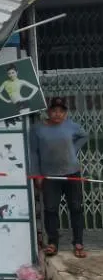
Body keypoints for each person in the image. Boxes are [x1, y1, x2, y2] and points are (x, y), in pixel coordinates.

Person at [30, 97, 89, 258]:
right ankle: (53, 243)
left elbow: (84, 136)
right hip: (50, 175)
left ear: (65, 113)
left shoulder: (71, 126)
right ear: (48, 112)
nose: (57, 114)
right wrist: (37, 175)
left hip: (72, 173)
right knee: (50, 209)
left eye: (61, 111)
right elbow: (34, 153)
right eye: (54, 111)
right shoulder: (37, 129)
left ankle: (78, 243)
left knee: (76, 207)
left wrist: (72, 150)